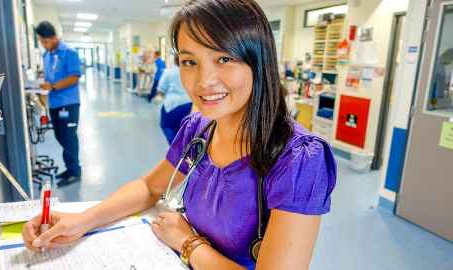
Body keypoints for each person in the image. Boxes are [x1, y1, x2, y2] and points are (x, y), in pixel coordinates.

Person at [22, 1, 336, 269]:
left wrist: (188, 243)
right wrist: (82, 221)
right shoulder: (199, 128)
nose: (204, 81)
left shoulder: (298, 158)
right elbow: (149, 186)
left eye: (224, 58)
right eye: (189, 62)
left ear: (259, 61)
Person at [35, 21, 82, 187]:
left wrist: (53, 86)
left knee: (69, 138)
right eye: (41, 42)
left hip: (68, 103)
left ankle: (75, 171)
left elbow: (74, 77)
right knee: (60, 136)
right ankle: (70, 168)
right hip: (54, 103)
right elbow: (49, 77)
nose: (43, 45)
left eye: (45, 41)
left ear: (54, 37)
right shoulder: (46, 55)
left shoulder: (69, 53)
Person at [156, 56, 193, 144]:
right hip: (189, 105)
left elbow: (161, 90)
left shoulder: (169, 72)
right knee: (184, 129)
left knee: (165, 125)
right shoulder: (191, 73)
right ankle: (183, 148)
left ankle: (175, 147)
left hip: (172, 106)